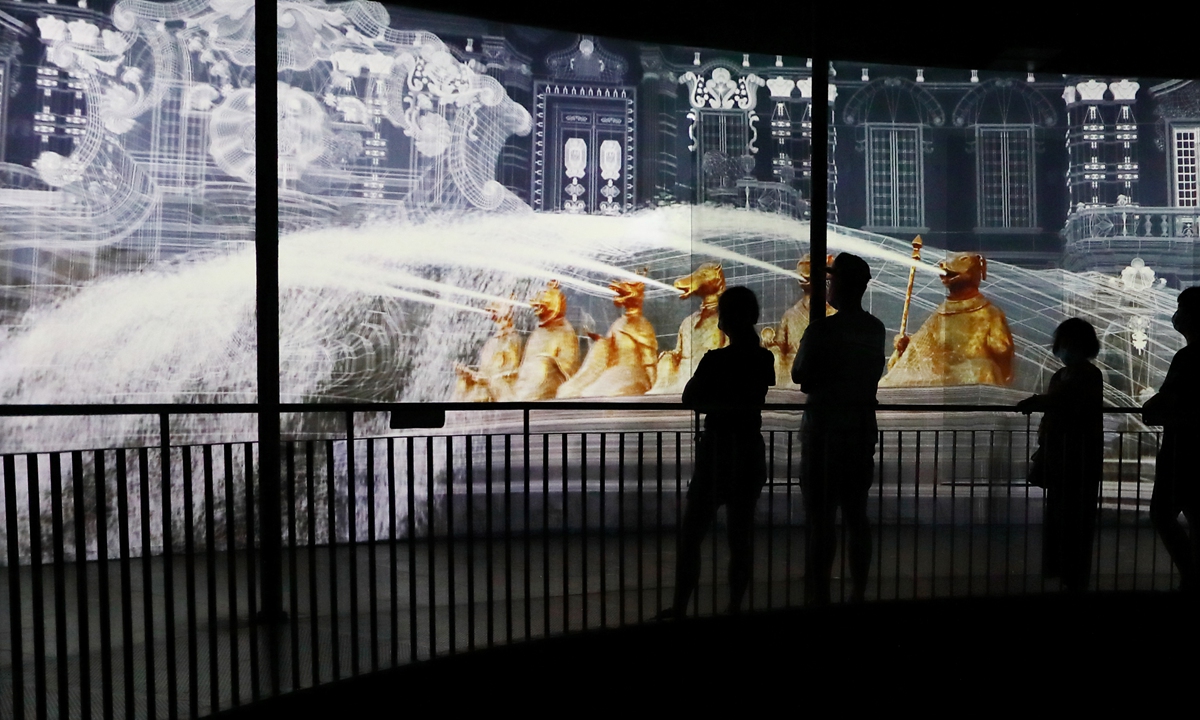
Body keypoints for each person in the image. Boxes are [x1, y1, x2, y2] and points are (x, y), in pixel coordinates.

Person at [656, 286, 775, 618]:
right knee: (740, 535)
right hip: (750, 450)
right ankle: (735, 606)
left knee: (693, 533)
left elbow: (689, 398)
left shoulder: (715, 360)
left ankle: (680, 607)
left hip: (718, 450)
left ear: (724, 320)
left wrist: (715, 404)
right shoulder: (765, 359)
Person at [792, 253, 886, 606]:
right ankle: (858, 590)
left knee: (821, 517)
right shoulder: (875, 329)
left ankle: (820, 593)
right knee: (856, 514)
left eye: (831, 280)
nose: (827, 286)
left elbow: (800, 374)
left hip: (823, 433)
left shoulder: (822, 329)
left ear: (842, 285)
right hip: (861, 431)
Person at [1016, 318, 1104, 593]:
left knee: (1074, 516)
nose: (1062, 350)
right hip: (1060, 455)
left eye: (1066, 344)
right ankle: (1066, 572)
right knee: (1061, 515)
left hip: (1078, 456)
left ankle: (1074, 576)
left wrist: (1037, 402)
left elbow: (1064, 400)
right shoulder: (1065, 375)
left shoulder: (1086, 374)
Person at [1141, 286, 1200, 593]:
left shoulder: (1189, 357)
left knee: (1163, 513)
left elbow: (1165, 401)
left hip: (1182, 451)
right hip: (1190, 451)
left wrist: (1154, 410)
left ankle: (1192, 576)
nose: (1176, 315)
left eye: (1181, 308)